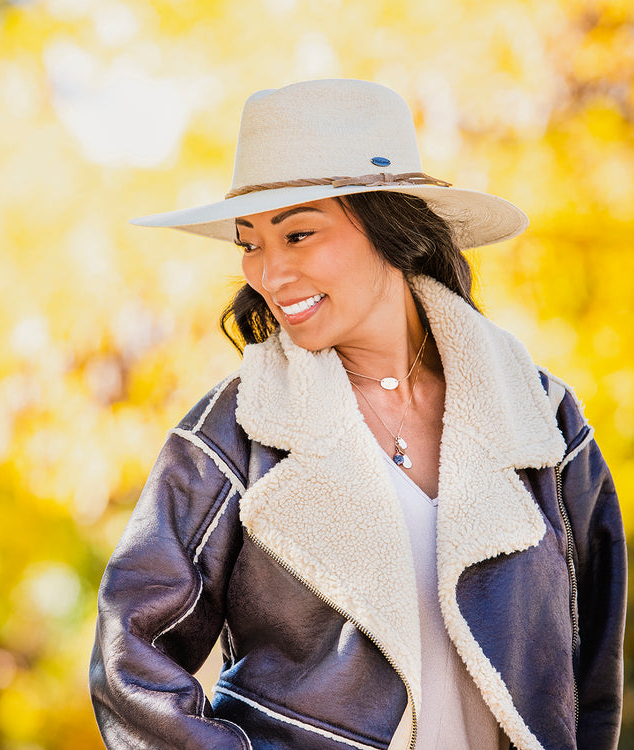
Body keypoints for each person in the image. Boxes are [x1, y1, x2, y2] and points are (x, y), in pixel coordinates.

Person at [89, 79, 626, 750]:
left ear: (389, 227)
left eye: (299, 234)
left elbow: (593, 672)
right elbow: (129, 657)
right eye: (249, 243)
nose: (268, 274)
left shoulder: (543, 421)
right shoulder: (233, 432)